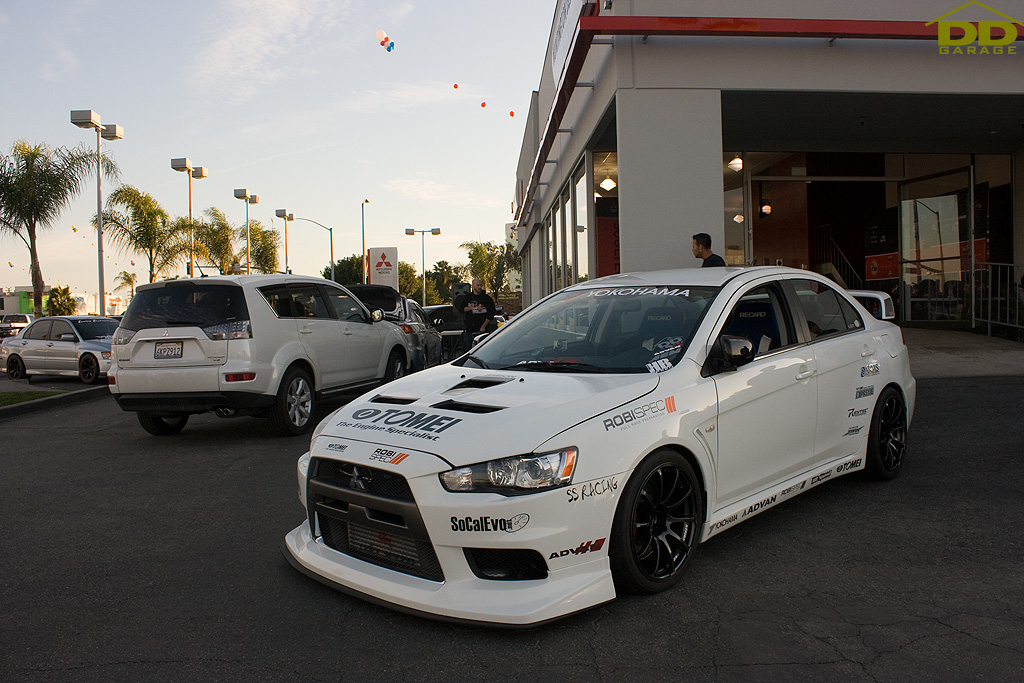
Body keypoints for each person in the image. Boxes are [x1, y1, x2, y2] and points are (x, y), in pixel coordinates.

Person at [455, 277, 496, 353]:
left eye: (480, 285)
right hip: (470, 329)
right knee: (468, 351)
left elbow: (491, 313)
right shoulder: (467, 297)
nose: (479, 287)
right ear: (473, 286)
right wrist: (473, 308)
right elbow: (461, 308)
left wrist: (483, 327)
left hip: (482, 329)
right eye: (477, 285)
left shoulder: (486, 299)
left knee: (483, 351)